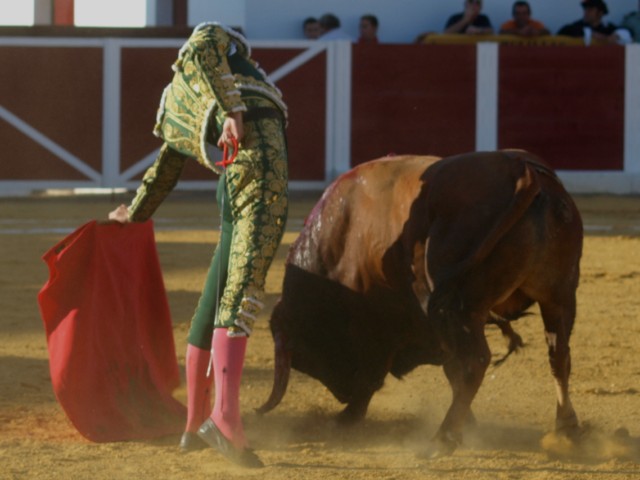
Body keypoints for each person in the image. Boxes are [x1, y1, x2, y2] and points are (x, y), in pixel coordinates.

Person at [108, 21, 288, 468]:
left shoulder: (178, 98)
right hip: (261, 168)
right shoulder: (219, 41)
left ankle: (193, 425)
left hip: (232, 182)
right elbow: (206, 41)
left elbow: (166, 167)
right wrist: (233, 109)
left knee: (216, 292)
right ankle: (224, 419)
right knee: (241, 289)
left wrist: (134, 213)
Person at [557, 0, 632, 44]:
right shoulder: (576, 26)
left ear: (600, 13)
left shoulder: (608, 27)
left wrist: (616, 36)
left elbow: (628, 31)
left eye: (590, 10)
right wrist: (591, 34)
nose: (586, 12)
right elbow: (562, 32)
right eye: (585, 9)